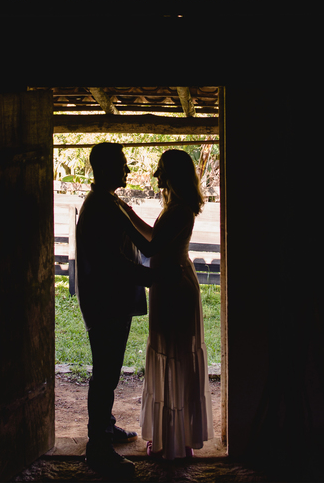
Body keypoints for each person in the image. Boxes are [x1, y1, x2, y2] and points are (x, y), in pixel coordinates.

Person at [118, 149, 215, 460]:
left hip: (174, 285)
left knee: (175, 355)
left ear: (173, 174)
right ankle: (173, 435)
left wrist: (121, 219)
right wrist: (130, 214)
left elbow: (149, 246)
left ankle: (177, 437)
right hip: (168, 282)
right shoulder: (175, 208)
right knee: (170, 353)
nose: (156, 176)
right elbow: (155, 237)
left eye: (160, 170)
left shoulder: (180, 211)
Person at [74, 142, 161, 478]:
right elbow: (114, 262)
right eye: (123, 165)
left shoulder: (109, 202)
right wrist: (155, 278)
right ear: (107, 168)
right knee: (106, 374)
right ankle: (98, 448)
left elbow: (146, 242)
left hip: (108, 299)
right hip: (105, 301)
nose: (127, 171)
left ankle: (106, 428)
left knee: (107, 370)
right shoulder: (102, 206)